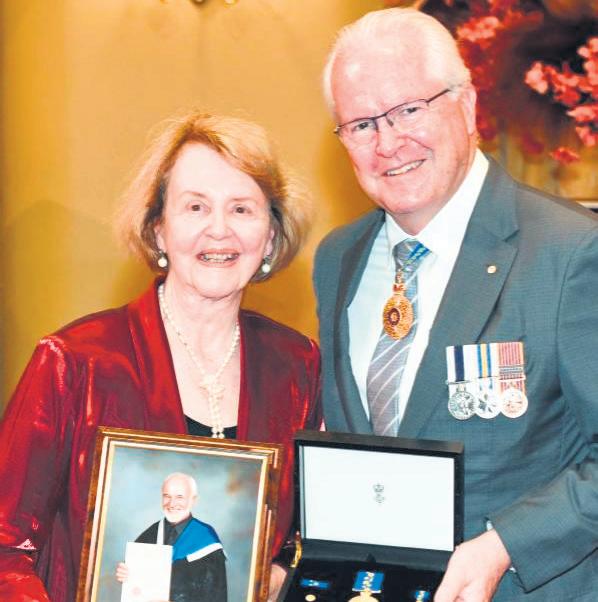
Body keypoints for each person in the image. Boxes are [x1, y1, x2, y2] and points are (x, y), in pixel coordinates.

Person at [315, 8, 598, 602]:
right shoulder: (338, 259)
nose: (389, 143)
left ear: (466, 106)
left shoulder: (571, 252)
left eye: (409, 110)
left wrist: (505, 545)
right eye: (362, 124)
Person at [0, 110, 321, 602]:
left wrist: (279, 574)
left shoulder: (297, 365)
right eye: (195, 207)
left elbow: (309, 535)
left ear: (271, 237)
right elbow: (5, 548)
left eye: (242, 209)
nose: (219, 230)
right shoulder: (75, 361)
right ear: (157, 231)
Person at [116, 472, 227, 602]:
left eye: (179, 497)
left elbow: (215, 596)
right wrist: (125, 573)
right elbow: (134, 576)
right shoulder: (153, 532)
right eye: (167, 496)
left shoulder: (207, 539)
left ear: (193, 500)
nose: (172, 503)